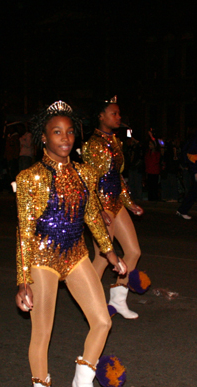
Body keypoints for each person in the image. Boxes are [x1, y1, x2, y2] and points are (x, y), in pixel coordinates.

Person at [15, 101, 127, 387]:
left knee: (102, 321)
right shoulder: (29, 178)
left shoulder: (83, 172)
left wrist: (108, 252)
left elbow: (92, 214)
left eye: (68, 132)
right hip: (42, 257)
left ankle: (84, 377)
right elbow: (24, 232)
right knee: (43, 331)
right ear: (44, 139)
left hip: (76, 253)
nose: (64, 138)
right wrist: (23, 280)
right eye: (56, 132)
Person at [82, 97, 146, 319]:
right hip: (100, 205)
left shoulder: (116, 142)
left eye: (119, 114)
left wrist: (130, 203)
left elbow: (117, 177)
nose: (119, 117)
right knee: (101, 257)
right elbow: (89, 180)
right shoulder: (92, 144)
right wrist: (97, 208)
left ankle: (118, 301)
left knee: (133, 251)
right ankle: (89, 304)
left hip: (116, 204)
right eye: (114, 113)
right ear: (101, 116)